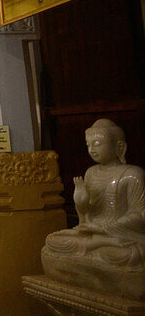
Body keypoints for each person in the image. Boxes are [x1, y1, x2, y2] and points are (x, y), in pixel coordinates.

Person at [43, 119, 145, 299]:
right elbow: (87, 215)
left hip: (118, 235)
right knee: (53, 241)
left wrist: (103, 229)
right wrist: (81, 202)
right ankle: (94, 246)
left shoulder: (132, 174)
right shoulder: (91, 173)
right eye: (88, 144)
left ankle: (98, 246)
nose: (92, 149)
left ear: (119, 146)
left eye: (98, 144)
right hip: (91, 233)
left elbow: (139, 215)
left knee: (128, 255)